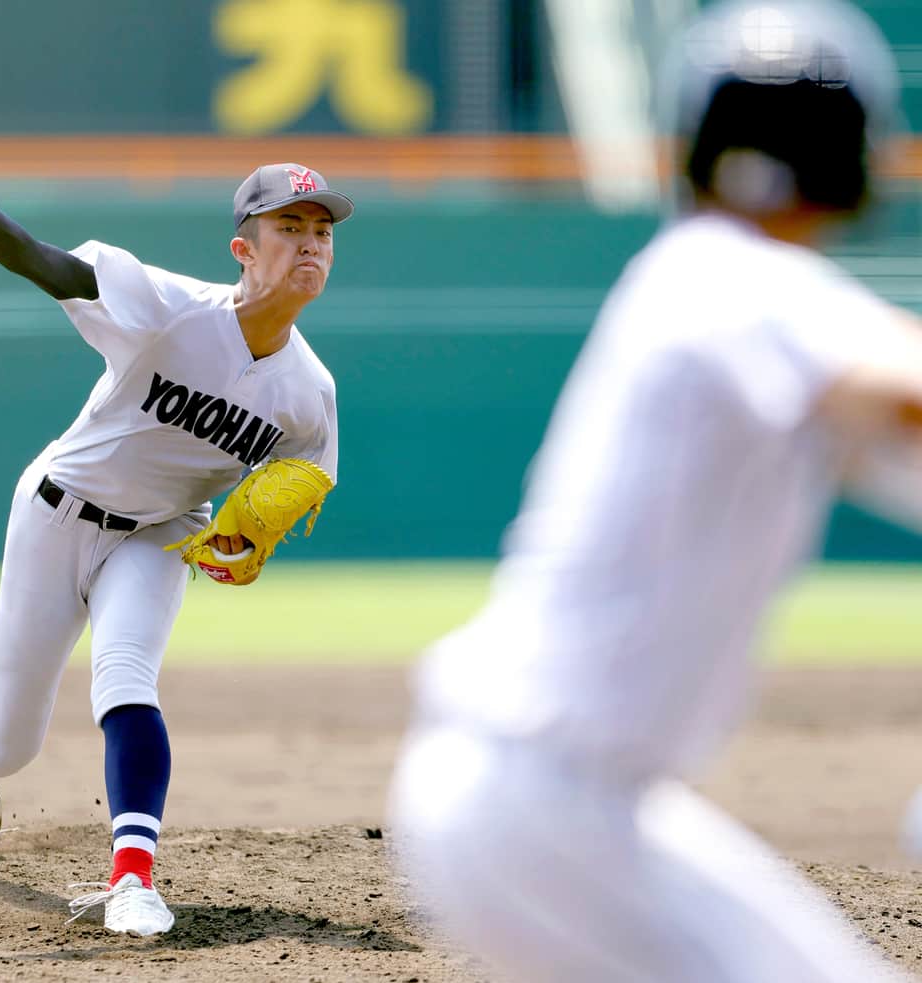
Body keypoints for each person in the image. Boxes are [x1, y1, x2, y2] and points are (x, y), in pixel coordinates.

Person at [389, 1, 922, 980]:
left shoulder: (712, 285)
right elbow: (901, 384)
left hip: (560, 800)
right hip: (542, 801)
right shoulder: (733, 281)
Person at [0, 84, 351, 937]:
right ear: (244, 247)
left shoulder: (310, 393)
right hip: (57, 513)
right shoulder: (162, 308)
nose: (309, 244)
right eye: (288, 228)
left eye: (322, 231)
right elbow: (28, 255)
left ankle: (132, 877)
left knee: (125, 677)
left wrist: (246, 537)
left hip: (159, 537)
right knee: (10, 740)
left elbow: (296, 480)